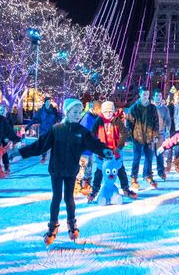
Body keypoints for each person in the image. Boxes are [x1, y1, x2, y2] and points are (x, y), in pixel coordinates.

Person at [20, 98, 113, 245]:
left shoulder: (82, 132)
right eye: (75, 112)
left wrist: (104, 150)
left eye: (79, 112)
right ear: (67, 112)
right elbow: (40, 145)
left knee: (69, 198)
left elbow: (93, 143)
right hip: (56, 170)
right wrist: (21, 153)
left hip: (71, 170)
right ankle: (53, 226)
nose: (78, 115)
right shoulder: (56, 129)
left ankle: (71, 223)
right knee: (56, 197)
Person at [87, 101, 137, 203]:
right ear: (102, 112)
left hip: (115, 149)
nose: (108, 114)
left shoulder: (116, 120)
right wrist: (95, 146)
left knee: (120, 169)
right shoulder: (99, 120)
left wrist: (119, 146)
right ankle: (95, 190)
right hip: (103, 151)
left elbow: (124, 133)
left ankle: (125, 189)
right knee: (100, 170)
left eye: (110, 111)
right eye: (106, 112)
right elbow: (92, 133)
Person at [126, 86, 160, 190]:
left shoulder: (152, 108)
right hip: (138, 137)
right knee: (137, 158)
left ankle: (148, 175)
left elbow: (156, 122)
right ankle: (134, 177)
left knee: (149, 157)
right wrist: (128, 138)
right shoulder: (134, 108)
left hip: (149, 137)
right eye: (144, 94)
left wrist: (155, 135)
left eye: (147, 94)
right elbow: (129, 124)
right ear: (140, 94)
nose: (146, 96)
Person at [26, 97, 63, 164]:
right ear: (45, 102)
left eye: (49, 102)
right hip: (43, 130)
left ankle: (57, 157)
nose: (48, 103)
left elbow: (58, 118)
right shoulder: (41, 111)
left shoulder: (53, 110)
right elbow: (35, 119)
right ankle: (44, 156)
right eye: (47, 102)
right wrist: (28, 126)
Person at [152, 88, 171, 181]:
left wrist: (167, 130)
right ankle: (148, 173)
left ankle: (161, 171)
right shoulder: (150, 108)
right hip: (150, 134)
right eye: (157, 96)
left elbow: (168, 120)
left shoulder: (165, 108)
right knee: (149, 154)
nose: (158, 97)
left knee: (160, 153)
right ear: (153, 97)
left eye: (160, 96)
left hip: (160, 134)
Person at [166, 90, 179, 171]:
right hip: (171, 129)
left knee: (177, 148)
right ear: (174, 98)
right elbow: (167, 118)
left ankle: (177, 164)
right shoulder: (170, 106)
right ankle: (168, 164)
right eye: (178, 98)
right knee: (170, 147)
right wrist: (167, 128)